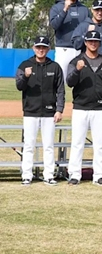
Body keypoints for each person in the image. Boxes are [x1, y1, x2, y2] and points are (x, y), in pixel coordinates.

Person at [66, 30, 102, 186]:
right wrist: (77, 70)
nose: (93, 43)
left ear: (99, 43)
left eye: (96, 41)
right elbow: (70, 82)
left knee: (100, 144)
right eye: (90, 41)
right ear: (85, 43)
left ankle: (99, 175)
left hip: (100, 108)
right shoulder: (76, 61)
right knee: (77, 143)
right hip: (80, 107)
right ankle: (74, 174)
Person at [15, 36, 65, 186]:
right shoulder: (25, 65)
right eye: (38, 47)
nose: (41, 50)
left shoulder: (55, 67)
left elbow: (60, 90)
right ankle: (26, 175)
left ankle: (48, 175)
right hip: (30, 111)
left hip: (49, 112)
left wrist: (59, 109)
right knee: (29, 145)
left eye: (44, 47)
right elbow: (19, 86)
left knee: (48, 145)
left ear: (48, 49)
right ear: (33, 48)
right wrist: (25, 76)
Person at [71, 0, 102, 143]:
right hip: (87, 68)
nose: (99, 12)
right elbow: (76, 44)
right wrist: (86, 33)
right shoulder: (84, 25)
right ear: (92, 10)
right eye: (97, 10)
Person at [49, 0, 88, 81]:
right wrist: (64, 10)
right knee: (59, 81)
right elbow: (54, 25)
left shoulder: (84, 9)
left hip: (80, 50)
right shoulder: (57, 7)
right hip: (63, 49)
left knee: (82, 82)